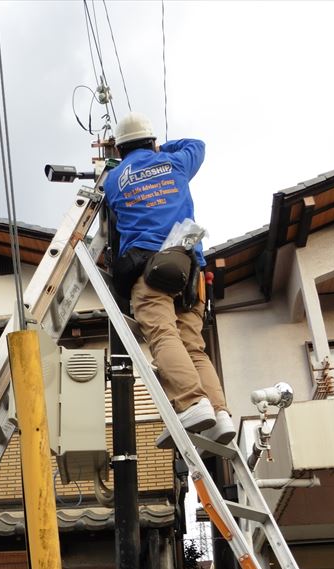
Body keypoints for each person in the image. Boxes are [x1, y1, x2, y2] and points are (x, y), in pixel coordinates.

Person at [104, 112, 235, 448]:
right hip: (190, 269)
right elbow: (197, 144)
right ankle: (220, 414)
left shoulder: (115, 178)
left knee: (162, 333)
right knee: (194, 346)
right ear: (151, 141)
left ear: (119, 149)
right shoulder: (175, 163)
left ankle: (192, 403)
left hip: (149, 269)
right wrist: (162, 149)